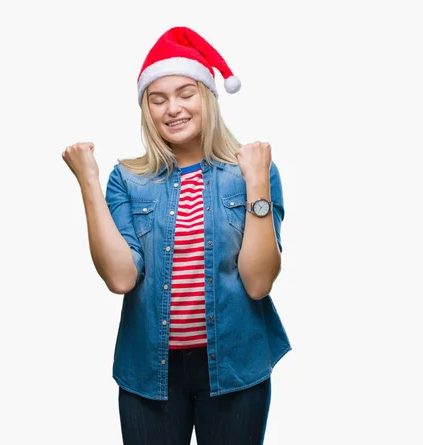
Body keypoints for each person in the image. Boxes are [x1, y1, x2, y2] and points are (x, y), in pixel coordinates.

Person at [62, 26, 292, 445]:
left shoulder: (253, 172)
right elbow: (121, 278)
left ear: (207, 97)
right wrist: (89, 183)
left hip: (236, 365)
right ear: (146, 109)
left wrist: (257, 183)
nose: (173, 108)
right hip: (150, 371)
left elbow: (259, 283)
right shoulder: (127, 180)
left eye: (186, 93)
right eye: (158, 98)